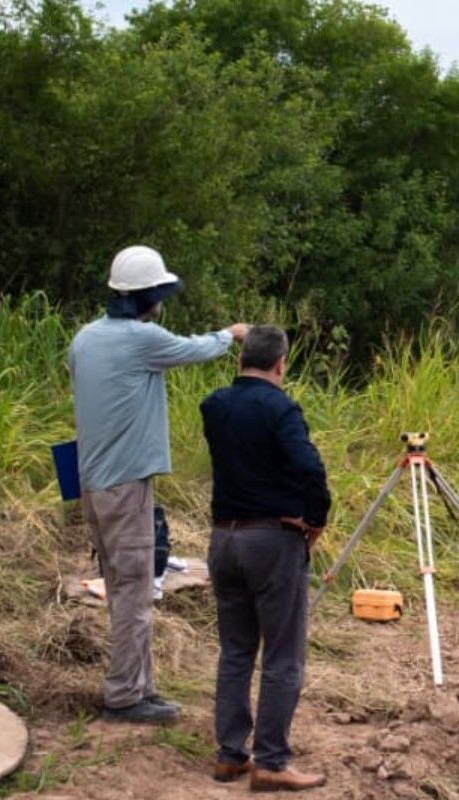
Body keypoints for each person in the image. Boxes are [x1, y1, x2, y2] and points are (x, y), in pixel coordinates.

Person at [70, 245, 248, 725]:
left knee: (121, 585)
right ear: (146, 296)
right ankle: (126, 697)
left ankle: (137, 686)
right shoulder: (139, 338)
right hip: (125, 485)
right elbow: (194, 349)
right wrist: (230, 336)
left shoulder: (85, 338)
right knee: (135, 592)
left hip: (92, 482)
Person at [200, 325, 330, 791]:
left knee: (235, 651)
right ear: (281, 363)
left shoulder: (214, 406)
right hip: (271, 541)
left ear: (241, 360)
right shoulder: (281, 408)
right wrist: (315, 518)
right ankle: (271, 761)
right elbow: (309, 466)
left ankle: (230, 754)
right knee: (282, 655)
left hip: (223, 538)